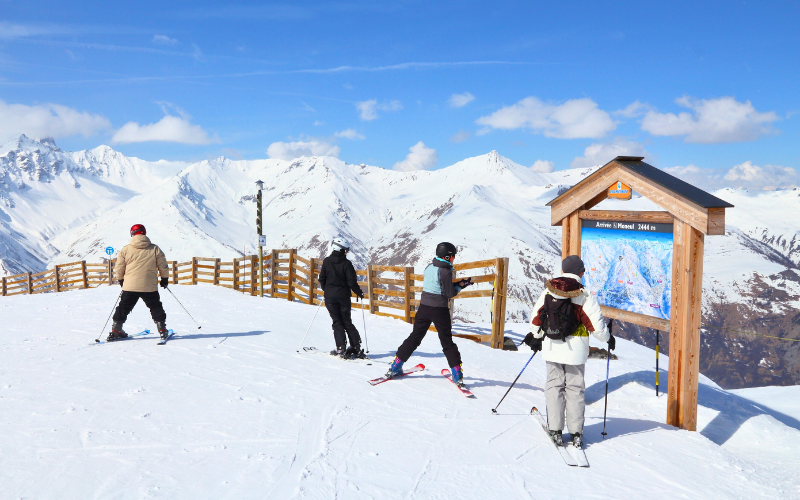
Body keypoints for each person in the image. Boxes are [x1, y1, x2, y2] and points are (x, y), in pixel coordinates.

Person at [523, 255, 615, 449]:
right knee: (574, 389)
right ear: (581, 272)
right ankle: (576, 433)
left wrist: (538, 336)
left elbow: (536, 319)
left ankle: (555, 430)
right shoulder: (584, 295)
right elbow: (596, 327)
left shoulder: (549, 291)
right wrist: (609, 339)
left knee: (554, 386)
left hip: (552, 347)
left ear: (563, 271)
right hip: (576, 351)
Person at [387, 242, 473, 385]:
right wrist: (460, 286)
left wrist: (457, 283)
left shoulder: (429, 267)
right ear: (447, 257)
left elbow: (437, 284)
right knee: (447, 342)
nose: (453, 259)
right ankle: (457, 374)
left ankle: (395, 366)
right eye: (452, 256)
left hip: (424, 308)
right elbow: (449, 293)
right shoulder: (445, 271)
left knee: (414, 338)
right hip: (439, 310)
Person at [108, 224, 171, 341]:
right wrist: (164, 279)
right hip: (149, 286)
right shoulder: (155, 249)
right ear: (144, 233)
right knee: (155, 306)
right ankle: (162, 329)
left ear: (132, 234)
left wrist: (121, 280)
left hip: (130, 286)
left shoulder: (126, 249)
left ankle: (116, 330)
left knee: (123, 307)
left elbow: (119, 268)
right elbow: (163, 266)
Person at [318, 237, 366, 359]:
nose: (347, 252)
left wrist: (327, 290)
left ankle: (341, 348)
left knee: (337, 322)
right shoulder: (347, 264)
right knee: (346, 321)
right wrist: (359, 293)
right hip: (343, 297)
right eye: (346, 250)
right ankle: (356, 347)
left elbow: (321, 279)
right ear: (340, 249)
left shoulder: (327, 261)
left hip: (330, 297)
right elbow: (352, 282)